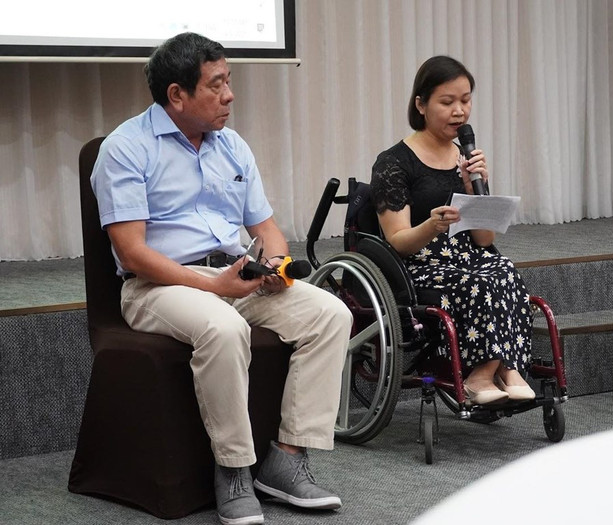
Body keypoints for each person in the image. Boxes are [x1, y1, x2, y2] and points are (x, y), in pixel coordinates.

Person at [91, 32, 352, 525]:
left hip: (234, 274)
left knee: (330, 314)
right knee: (223, 327)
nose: (230, 95)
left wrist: (274, 265)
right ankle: (233, 468)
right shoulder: (125, 148)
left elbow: (267, 229)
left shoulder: (231, 145)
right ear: (177, 95)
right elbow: (132, 252)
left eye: (229, 81)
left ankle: (288, 460)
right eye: (217, 85)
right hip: (158, 286)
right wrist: (214, 287)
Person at [370, 55, 536, 406]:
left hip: (468, 258)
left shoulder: (467, 158)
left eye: (465, 100)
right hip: (420, 266)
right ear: (421, 104)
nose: (459, 111)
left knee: (503, 268)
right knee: (481, 281)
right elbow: (398, 243)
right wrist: (432, 225)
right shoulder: (394, 163)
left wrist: (478, 188)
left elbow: (485, 241)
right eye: (447, 102)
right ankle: (489, 373)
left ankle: (496, 369)